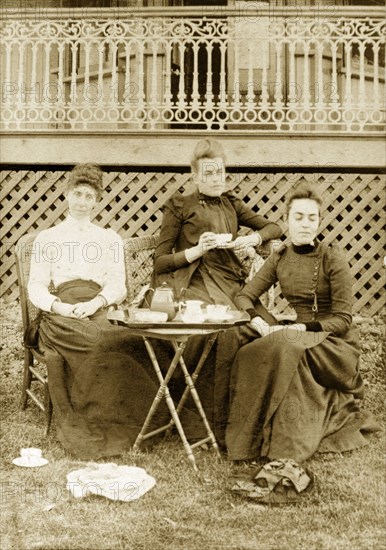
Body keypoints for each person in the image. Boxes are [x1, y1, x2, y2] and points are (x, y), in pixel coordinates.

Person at [225, 181, 380, 463]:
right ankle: (248, 440)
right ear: (286, 221)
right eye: (298, 217)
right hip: (297, 335)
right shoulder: (280, 256)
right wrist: (258, 320)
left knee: (287, 345)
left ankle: (286, 446)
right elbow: (245, 295)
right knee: (248, 346)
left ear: (319, 222)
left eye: (312, 218)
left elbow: (344, 319)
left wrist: (302, 328)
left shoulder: (333, 258)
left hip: (334, 345)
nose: (305, 224)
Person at [28, 163, 169, 459]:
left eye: (89, 197)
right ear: (66, 195)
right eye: (77, 194)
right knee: (97, 341)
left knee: (125, 340)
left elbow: (118, 286)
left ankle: (127, 420)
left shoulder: (108, 239)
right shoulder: (48, 238)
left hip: (97, 305)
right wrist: (61, 306)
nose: (82, 202)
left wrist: (95, 303)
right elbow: (36, 288)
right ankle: (93, 420)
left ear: (98, 201)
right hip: (60, 312)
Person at [150, 138, 283, 445]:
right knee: (225, 333)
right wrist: (196, 250)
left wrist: (252, 240)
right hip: (194, 284)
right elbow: (159, 262)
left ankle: (259, 416)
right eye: (207, 173)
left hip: (231, 282)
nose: (214, 179)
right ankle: (214, 424)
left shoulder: (230, 202)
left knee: (270, 332)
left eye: (219, 172)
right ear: (194, 175)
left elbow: (274, 227)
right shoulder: (179, 204)